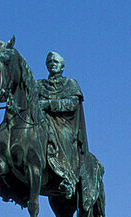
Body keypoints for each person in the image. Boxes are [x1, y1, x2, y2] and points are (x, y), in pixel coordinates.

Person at [38, 51, 87, 199]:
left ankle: (67, 176)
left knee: (62, 135)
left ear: (62, 67)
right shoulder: (39, 85)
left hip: (63, 123)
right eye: (50, 62)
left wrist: (48, 104)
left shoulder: (70, 83)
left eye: (56, 62)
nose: (52, 64)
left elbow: (72, 104)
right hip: (42, 120)